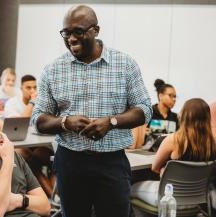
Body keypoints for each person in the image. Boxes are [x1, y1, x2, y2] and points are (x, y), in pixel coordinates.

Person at [31, 5, 152, 217]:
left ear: (95, 30)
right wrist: (65, 122)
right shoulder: (53, 70)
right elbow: (38, 119)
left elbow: (144, 109)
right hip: (70, 162)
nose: (71, 39)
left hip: (112, 163)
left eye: (78, 31)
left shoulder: (124, 64)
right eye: (66, 33)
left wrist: (111, 122)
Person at [131, 98, 216, 207]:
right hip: (198, 200)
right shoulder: (211, 144)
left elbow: (155, 168)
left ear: (184, 116)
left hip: (169, 198)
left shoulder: (173, 140)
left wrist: (164, 170)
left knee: (130, 188)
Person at [4, 75, 55, 197]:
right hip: (22, 144)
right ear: (21, 88)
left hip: (39, 144)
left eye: (34, 87)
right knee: (25, 160)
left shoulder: (42, 102)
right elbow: (20, 123)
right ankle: (52, 198)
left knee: (53, 161)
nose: (32, 90)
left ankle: (55, 198)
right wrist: (32, 103)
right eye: (28, 87)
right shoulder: (12, 103)